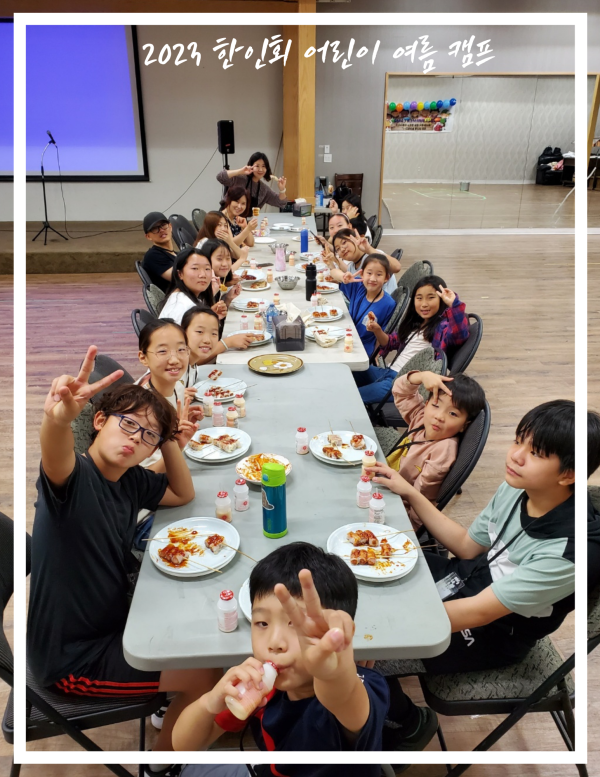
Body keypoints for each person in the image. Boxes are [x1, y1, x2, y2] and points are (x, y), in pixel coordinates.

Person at [27, 347, 222, 754]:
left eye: (148, 435)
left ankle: (169, 705)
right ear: (100, 421)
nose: (136, 438)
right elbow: (56, 457)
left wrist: (169, 441)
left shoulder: (127, 479)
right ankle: (162, 763)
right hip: (74, 659)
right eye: (128, 424)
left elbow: (182, 494)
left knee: (203, 625)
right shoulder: (75, 482)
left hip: (117, 620)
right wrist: (57, 420)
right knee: (205, 675)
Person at [366, 400, 585, 748]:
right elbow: (468, 547)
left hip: (492, 632)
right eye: (518, 441)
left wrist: (378, 629)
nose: (515, 456)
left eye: (535, 453)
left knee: (355, 656)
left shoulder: (566, 552)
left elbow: (477, 613)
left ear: (568, 474)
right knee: (365, 571)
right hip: (464, 580)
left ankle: (409, 723)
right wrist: (409, 492)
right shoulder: (518, 487)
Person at [172, 542, 389, 774]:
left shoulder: (362, 689)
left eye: (296, 624)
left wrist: (333, 676)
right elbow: (183, 747)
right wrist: (210, 702)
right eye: (262, 623)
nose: (274, 642)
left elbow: (343, 696)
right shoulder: (261, 687)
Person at [385, 371, 486, 530]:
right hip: (386, 484)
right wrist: (421, 376)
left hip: (397, 510)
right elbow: (401, 391)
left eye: (452, 413)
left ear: (464, 426)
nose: (439, 416)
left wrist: (409, 530)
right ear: (426, 405)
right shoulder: (421, 419)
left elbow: (422, 500)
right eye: (436, 405)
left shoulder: (442, 452)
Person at [354, 276, 468, 405]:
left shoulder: (442, 327)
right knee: (350, 370)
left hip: (403, 384)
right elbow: (390, 342)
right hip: (387, 372)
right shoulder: (415, 323)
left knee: (352, 396)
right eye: (419, 298)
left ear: (441, 300)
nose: (424, 304)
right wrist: (377, 330)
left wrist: (454, 304)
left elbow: (460, 334)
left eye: (431, 297)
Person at [135, 319, 203, 470]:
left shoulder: (178, 386)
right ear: (143, 357)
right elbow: (146, 475)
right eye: (162, 351)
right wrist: (176, 446)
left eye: (181, 349)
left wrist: (180, 421)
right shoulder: (142, 409)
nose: (174, 359)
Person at [321, 255, 396, 358]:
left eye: (379, 274)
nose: (373, 278)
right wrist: (343, 277)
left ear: (386, 278)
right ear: (362, 274)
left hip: (362, 350)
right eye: (369, 273)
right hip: (345, 337)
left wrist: (377, 331)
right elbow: (333, 273)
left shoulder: (389, 304)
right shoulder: (357, 286)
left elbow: (385, 342)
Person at [181, 305, 254, 385]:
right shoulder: (177, 369)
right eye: (199, 332)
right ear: (182, 332)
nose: (207, 340)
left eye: (214, 333)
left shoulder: (193, 367)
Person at [159, 248, 227, 325]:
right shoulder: (184, 305)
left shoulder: (181, 296)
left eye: (207, 269)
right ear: (180, 274)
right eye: (195, 268)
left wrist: (209, 316)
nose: (203, 275)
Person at [326, 229, 400, 295]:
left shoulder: (373, 257)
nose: (342, 249)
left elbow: (397, 267)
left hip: (382, 304)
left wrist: (369, 249)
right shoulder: (352, 266)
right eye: (338, 249)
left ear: (356, 239)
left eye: (344, 242)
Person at [217, 152, 287, 210]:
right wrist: (240, 171)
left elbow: (281, 203)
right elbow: (220, 177)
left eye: (263, 166)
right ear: (251, 166)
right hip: (225, 218)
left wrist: (282, 189)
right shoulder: (240, 178)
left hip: (245, 221)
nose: (260, 169)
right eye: (257, 166)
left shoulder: (264, 189)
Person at [142, 211, 177, 292]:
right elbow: (180, 277)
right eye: (155, 228)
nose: (161, 230)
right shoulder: (153, 256)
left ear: (170, 227)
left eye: (163, 225)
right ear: (148, 236)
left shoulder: (176, 254)